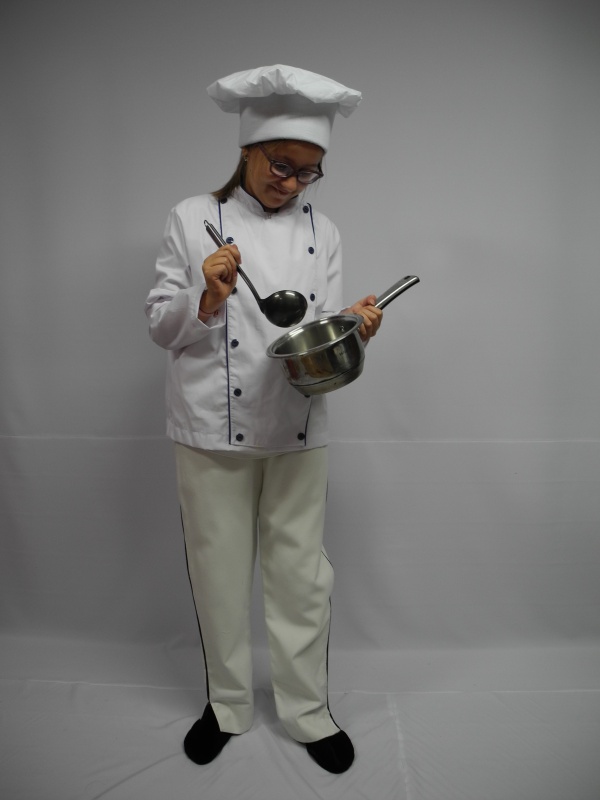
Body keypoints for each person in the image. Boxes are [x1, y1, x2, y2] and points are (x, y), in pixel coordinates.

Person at [145, 64, 382, 774]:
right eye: (282, 165)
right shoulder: (191, 218)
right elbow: (161, 327)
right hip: (209, 425)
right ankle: (227, 706)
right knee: (217, 572)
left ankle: (308, 712)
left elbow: (317, 326)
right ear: (248, 150)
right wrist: (207, 297)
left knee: (301, 575)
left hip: (298, 420)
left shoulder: (322, 229)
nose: (293, 183)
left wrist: (352, 325)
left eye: (310, 172)